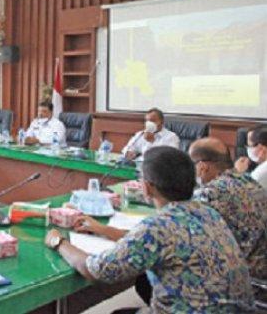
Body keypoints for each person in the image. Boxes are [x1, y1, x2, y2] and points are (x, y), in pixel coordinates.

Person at [45, 146, 254, 313]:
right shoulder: (208, 212)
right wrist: (103, 229)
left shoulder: (157, 228)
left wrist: (58, 241)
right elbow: (153, 241)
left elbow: (96, 271)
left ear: (146, 187)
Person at [190, 137, 267, 280]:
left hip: (239, 279)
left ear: (202, 166)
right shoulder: (249, 181)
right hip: (260, 267)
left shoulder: (210, 193)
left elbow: (193, 241)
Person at [235, 125, 267, 189]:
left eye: (253, 145)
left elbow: (239, 192)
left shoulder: (261, 171)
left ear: (261, 148)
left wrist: (237, 172)